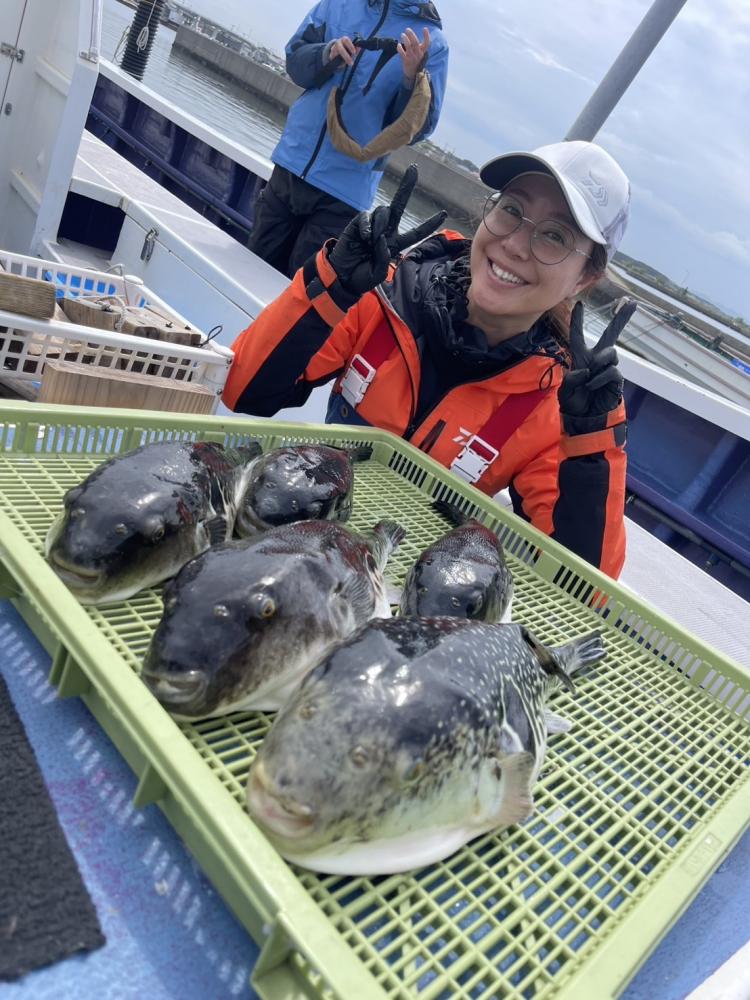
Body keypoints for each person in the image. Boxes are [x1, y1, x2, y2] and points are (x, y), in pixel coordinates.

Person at [224, 140, 636, 578]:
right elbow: (244, 391)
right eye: (512, 210)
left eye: (555, 236)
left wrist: (592, 445)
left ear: (584, 279)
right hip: (293, 529)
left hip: (408, 581)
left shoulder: (554, 403)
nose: (516, 244)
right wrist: (332, 285)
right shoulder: (382, 290)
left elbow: (583, 585)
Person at [247, 0, 449, 278]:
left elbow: (420, 128)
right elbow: (295, 61)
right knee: (251, 265)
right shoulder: (338, 4)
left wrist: (411, 80)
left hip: (345, 192)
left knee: (302, 289)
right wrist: (326, 54)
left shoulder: (433, 44)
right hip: (291, 164)